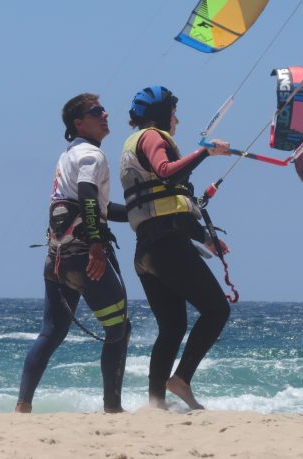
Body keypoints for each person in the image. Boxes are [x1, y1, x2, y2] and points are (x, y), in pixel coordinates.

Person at [16, 93, 132, 414]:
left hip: (57, 259)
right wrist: (96, 245)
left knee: (51, 333)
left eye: (104, 108)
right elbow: (87, 196)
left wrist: (139, 210)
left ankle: (23, 405)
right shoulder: (92, 156)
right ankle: (113, 408)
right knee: (118, 328)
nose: (106, 114)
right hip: (85, 256)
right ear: (79, 123)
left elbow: (102, 207)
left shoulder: (67, 156)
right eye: (97, 111)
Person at [119, 86, 232, 410]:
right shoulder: (153, 137)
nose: (177, 120)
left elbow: (165, 207)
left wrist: (204, 238)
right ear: (161, 114)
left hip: (146, 251)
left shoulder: (132, 144)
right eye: (174, 113)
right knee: (217, 310)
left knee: (172, 326)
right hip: (166, 247)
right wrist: (206, 153)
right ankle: (180, 379)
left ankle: (156, 403)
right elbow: (168, 176)